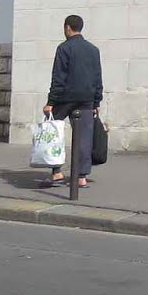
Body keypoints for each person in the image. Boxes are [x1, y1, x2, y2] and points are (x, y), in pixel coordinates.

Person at [40, 15, 102, 190]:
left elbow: (58, 77)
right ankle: (81, 177)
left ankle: (57, 172)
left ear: (67, 28)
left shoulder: (63, 48)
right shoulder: (93, 50)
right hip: (86, 99)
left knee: (53, 132)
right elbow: (97, 77)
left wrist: (50, 102)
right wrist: (97, 101)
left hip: (65, 98)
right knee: (84, 138)